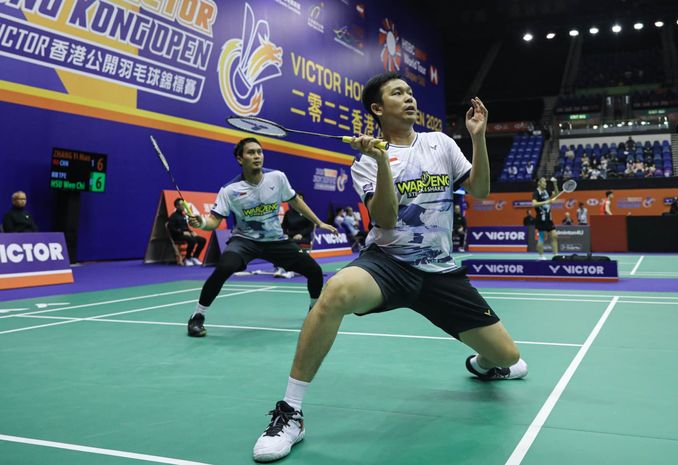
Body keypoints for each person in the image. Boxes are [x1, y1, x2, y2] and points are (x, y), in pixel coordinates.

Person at [252, 72, 527, 462]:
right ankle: (290, 412)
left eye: (411, 93)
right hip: (388, 265)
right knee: (335, 292)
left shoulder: (441, 143)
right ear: (378, 109)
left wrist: (478, 136)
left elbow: (480, 191)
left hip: (441, 271)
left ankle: (485, 364)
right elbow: (384, 219)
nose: (410, 99)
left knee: (508, 358)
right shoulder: (365, 161)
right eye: (398, 93)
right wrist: (381, 160)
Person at [186, 137, 338, 337]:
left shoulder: (277, 177)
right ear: (240, 159)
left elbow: (295, 202)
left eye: (259, 152)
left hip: (276, 240)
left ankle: (313, 312)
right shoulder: (230, 190)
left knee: (314, 271)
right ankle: (197, 316)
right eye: (251, 152)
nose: (257, 156)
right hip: (245, 241)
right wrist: (202, 223)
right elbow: (214, 220)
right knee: (224, 268)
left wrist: (318, 222)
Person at [167, 198, 206, 266]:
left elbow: (186, 227)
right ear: (176, 206)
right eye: (181, 204)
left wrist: (191, 232)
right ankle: (187, 258)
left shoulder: (183, 216)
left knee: (202, 240)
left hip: (187, 235)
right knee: (192, 240)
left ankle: (195, 257)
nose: (183, 206)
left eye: (184, 204)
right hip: (178, 236)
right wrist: (182, 232)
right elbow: (171, 229)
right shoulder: (173, 217)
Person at [531, 176, 559, 260]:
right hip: (541, 219)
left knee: (554, 236)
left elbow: (556, 194)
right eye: (543, 182)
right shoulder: (536, 192)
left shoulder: (546, 191)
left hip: (548, 218)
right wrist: (547, 201)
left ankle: (556, 255)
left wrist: (555, 184)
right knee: (542, 238)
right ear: (539, 183)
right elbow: (534, 204)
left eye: (546, 182)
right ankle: (541, 256)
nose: (545, 183)